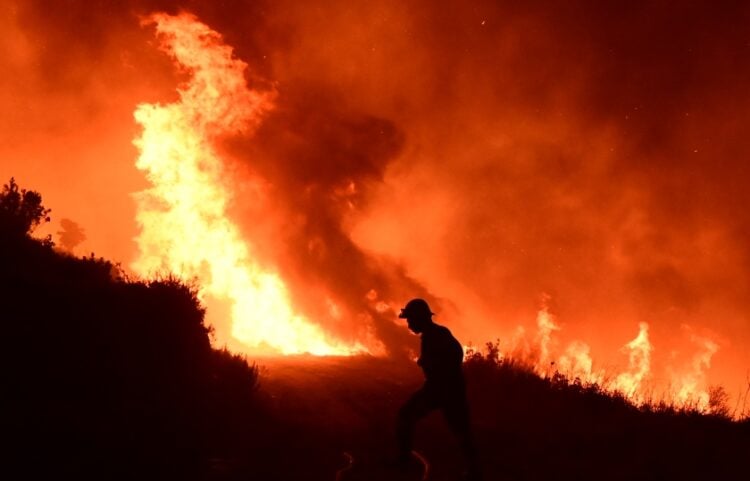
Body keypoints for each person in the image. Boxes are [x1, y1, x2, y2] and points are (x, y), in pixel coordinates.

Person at [395, 298, 480, 480]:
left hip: (445, 390)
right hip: (444, 389)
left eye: (410, 320)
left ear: (420, 318)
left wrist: (430, 364)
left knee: (407, 416)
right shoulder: (434, 334)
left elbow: (455, 355)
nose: (409, 324)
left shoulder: (436, 335)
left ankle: (403, 462)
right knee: (460, 430)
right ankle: (474, 470)